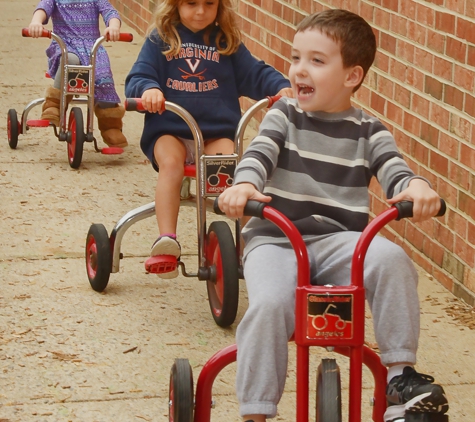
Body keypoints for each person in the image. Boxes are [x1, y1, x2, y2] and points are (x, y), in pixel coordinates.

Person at [218, 9, 449, 422]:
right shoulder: (284, 115)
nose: (299, 70)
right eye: (295, 58)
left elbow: (396, 172)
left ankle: (400, 378)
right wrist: (244, 185)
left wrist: (418, 188)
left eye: (316, 61)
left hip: (340, 242)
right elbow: (259, 153)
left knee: (392, 259)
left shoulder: (369, 131)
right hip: (276, 237)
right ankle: (255, 411)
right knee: (270, 304)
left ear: (351, 76)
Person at [124, 0, 292, 278]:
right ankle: (167, 241)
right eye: (191, 3)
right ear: (175, 4)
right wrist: (149, 90)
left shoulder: (225, 42)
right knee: (171, 164)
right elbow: (139, 75)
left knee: (235, 173)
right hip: (171, 128)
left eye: (209, 4)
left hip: (215, 132)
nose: (200, 11)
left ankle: (253, 241)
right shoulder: (161, 39)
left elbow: (255, 71)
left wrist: (280, 87)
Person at [28, 0, 128, 148]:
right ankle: (55, 104)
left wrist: (113, 26)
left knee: (103, 76)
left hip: (91, 47)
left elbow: (110, 12)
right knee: (71, 61)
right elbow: (43, 8)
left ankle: (110, 125)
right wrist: (36, 22)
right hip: (65, 45)